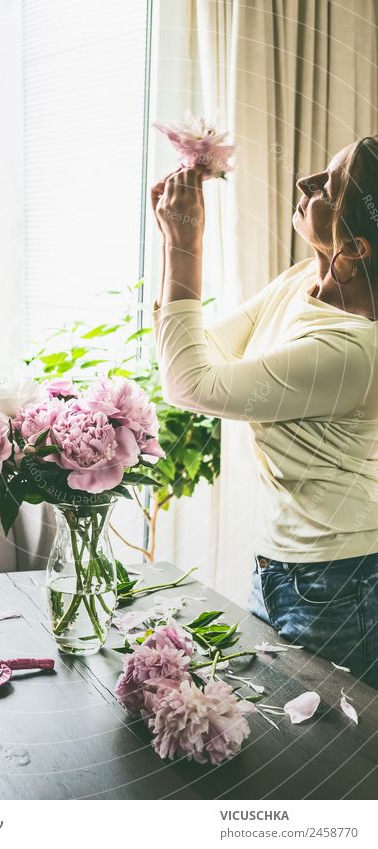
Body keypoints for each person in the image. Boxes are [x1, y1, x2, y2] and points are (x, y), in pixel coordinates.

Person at [151, 136, 378, 688]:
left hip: (341, 580)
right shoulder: (301, 282)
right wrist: (174, 246)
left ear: (356, 247)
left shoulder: (353, 352)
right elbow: (199, 353)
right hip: (280, 564)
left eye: (329, 186)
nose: (307, 185)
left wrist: (185, 247)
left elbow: (188, 381)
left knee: (323, 761)